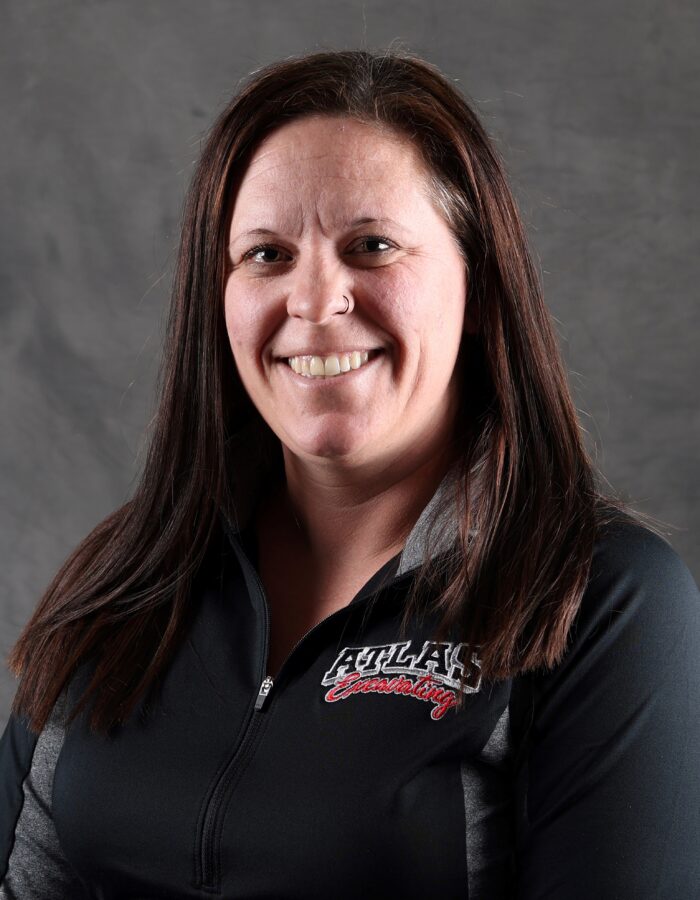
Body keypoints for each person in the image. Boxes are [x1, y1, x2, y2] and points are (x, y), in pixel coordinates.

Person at [1, 48, 699, 900]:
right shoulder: (130, 575)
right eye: (265, 255)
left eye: (371, 246)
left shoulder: (604, 598)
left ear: (479, 290)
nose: (315, 300)